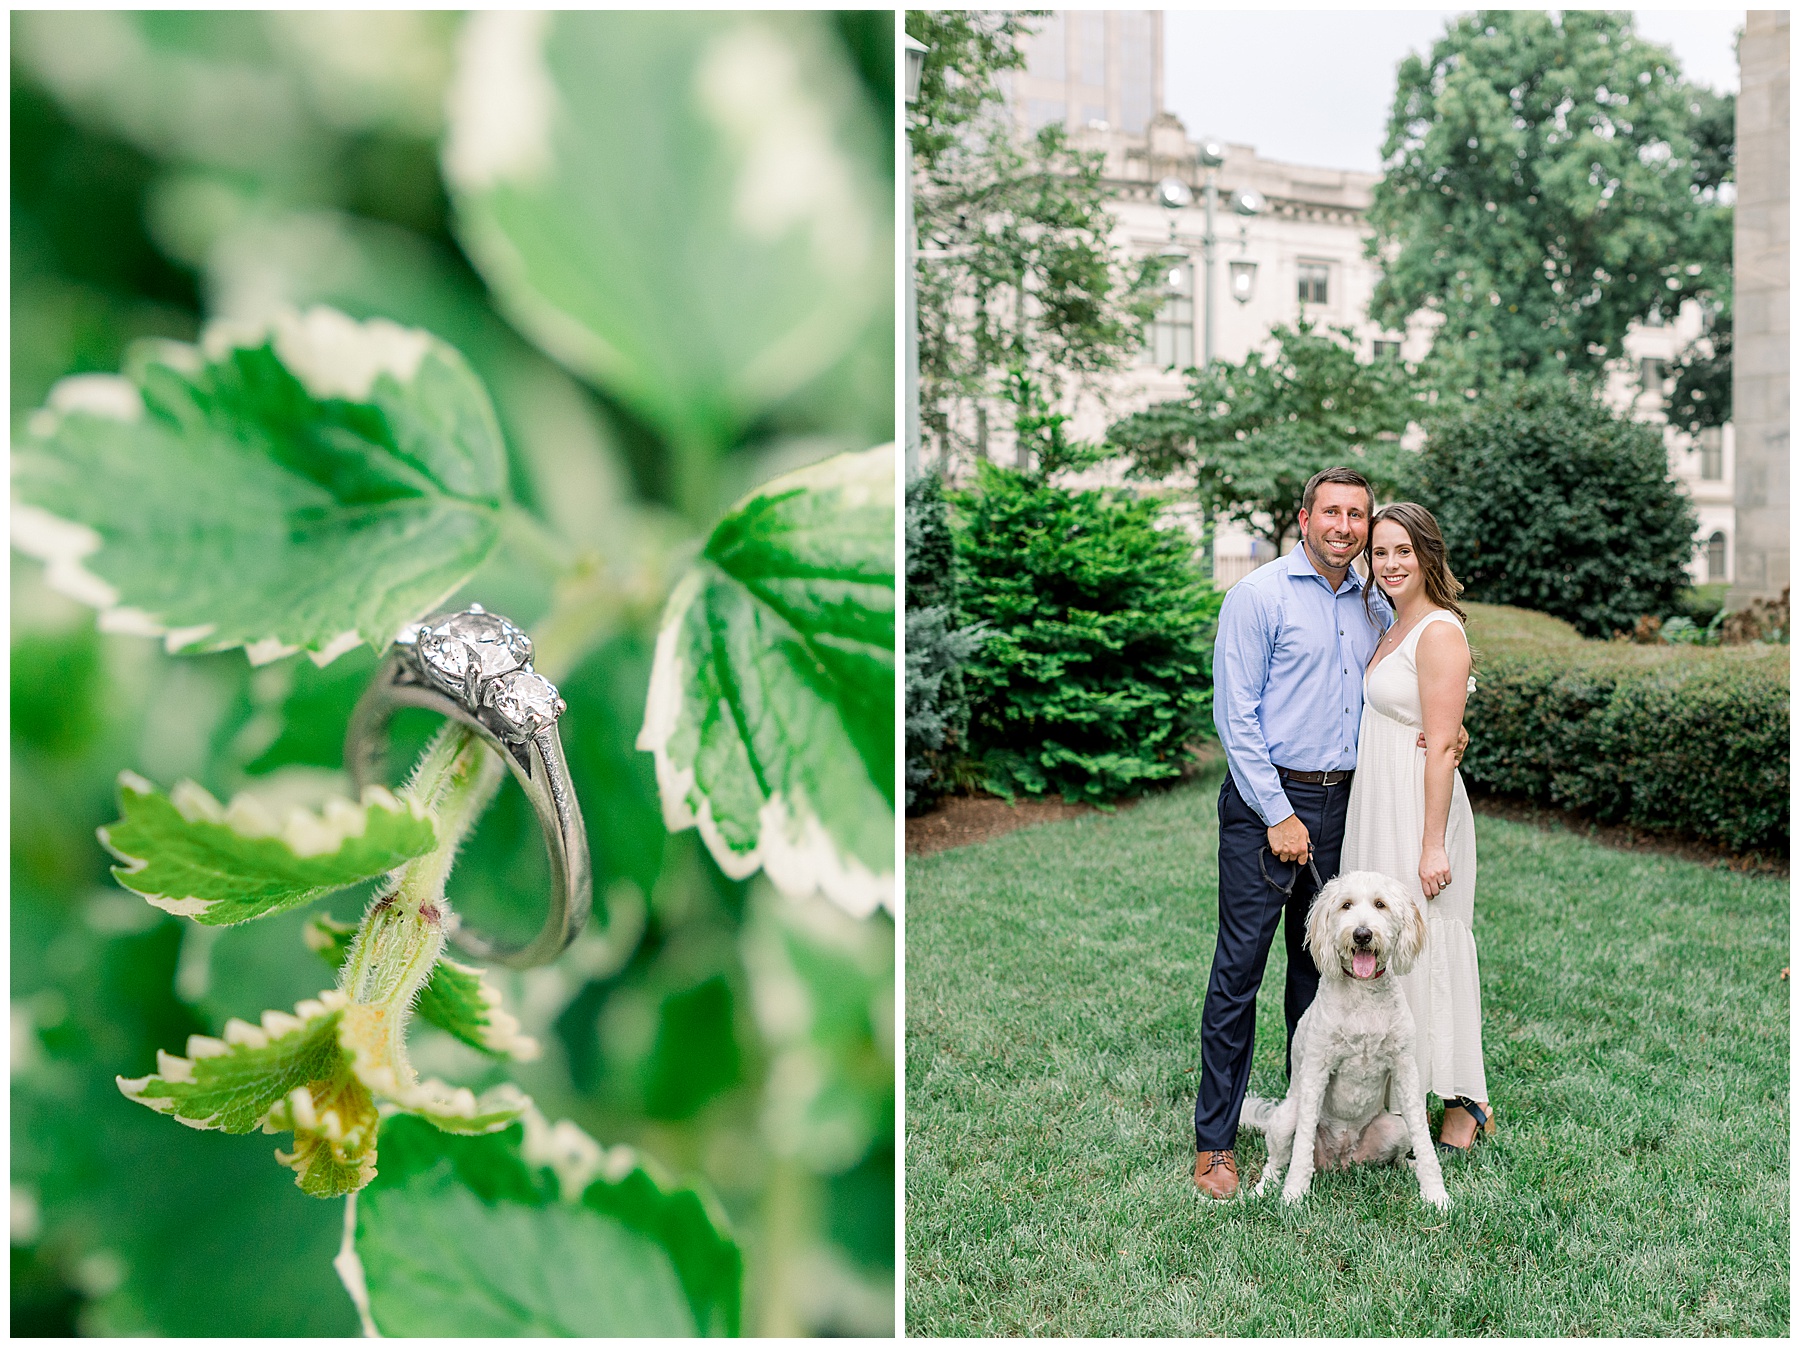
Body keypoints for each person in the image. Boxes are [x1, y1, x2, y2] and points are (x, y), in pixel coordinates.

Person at [1193, 467, 1388, 1200]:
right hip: (1264, 801)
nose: (1344, 525)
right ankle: (1215, 1144)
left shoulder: (1376, 604)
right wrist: (1278, 813)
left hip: (1347, 803)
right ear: (1303, 518)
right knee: (1239, 974)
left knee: (1322, 973)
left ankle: (1300, 1124)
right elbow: (1235, 715)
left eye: (1358, 515)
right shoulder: (1258, 596)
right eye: (1331, 512)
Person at [1341, 502, 1492, 1152]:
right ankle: (1394, 1093)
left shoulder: (1439, 632)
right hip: (1379, 799)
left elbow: (1442, 743)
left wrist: (1432, 843)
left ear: (1428, 555)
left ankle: (1467, 1098)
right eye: (1380, 552)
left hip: (1419, 809)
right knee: (1387, 947)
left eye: (1403, 550)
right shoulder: (1392, 625)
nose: (1391, 562)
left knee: (1428, 943)